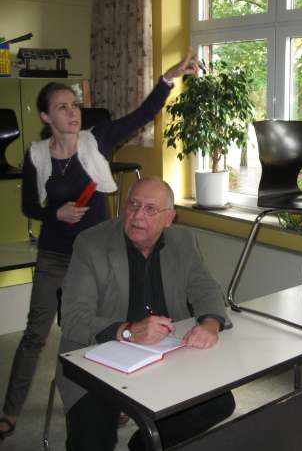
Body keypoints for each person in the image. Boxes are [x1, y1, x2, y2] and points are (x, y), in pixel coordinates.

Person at [0, 52, 200, 439]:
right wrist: (55, 213)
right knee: (35, 335)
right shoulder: (37, 155)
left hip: (101, 259)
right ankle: (10, 411)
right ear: (46, 117)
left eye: (74, 105)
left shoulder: (97, 141)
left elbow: (143, 114)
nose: (72, 112)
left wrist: (167, 79)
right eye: (62, 107)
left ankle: (113, 399)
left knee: (107, 329)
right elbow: (29, 206)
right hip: (56, 257)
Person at [57, 177, 235, 450]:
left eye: (151, 209)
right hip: (97, 356)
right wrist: (128, 330)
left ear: (169, 218)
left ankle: (143, 445)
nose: (138, 215)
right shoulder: (91, 244)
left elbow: (206, 289)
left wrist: (210, 324)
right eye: (133, 205)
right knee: (93, 438)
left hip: (163, 354)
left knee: (218, 404)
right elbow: (73, 319)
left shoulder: (183, 241)